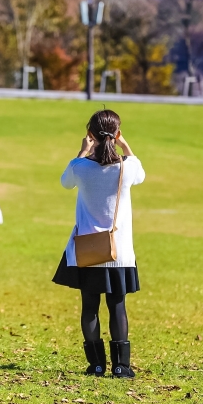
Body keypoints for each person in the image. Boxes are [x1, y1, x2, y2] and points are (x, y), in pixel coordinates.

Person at [52, 109, 145, 378]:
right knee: (117, 306)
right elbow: (140, 171)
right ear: (116, 135)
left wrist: (82, 151)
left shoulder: (80, 168)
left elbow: (65, 182)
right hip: (120, 252)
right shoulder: (127, 168)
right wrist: (124, 143)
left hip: (88, 250)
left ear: (90, 134)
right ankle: (120, 366)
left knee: (89, 307)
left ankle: (95, 365)